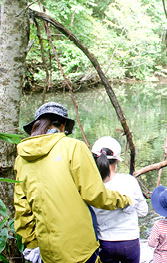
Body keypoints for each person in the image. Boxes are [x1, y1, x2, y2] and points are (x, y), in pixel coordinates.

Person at [14, 102, 133, 263]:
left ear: (36, 127)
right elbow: (95, 194)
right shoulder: (73, 147)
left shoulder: (21, 158)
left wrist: (32, 242)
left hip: (47, 250)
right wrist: (123, 200)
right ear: (63, 126)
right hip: (80, 249)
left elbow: (22, 207)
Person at [91, 136, 149, 263]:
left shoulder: (91, 186)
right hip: (130, 242)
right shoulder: (129, 181)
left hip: (105, 243)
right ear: (117, 160)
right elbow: (143, 212)